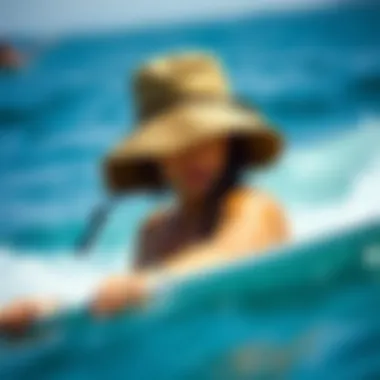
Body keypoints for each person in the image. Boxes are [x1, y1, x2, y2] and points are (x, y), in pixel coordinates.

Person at [0, 52, 289, 333]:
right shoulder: (152, 231)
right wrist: (49, 315)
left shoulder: (254, 206)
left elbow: (231, 252)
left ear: (229, 139)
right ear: (153, 152)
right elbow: (124, 308)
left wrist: (147, 281)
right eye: (177, 139)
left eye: (209, 135)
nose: (195, 152)